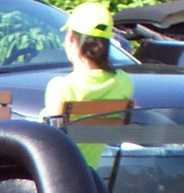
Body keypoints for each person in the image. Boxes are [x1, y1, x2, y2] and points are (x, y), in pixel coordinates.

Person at [41, 2, 132, 169]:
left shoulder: (61, 87)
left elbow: (50, 143)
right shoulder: (123, 82)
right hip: (93, 175)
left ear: (70, 38)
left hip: (63, 175)